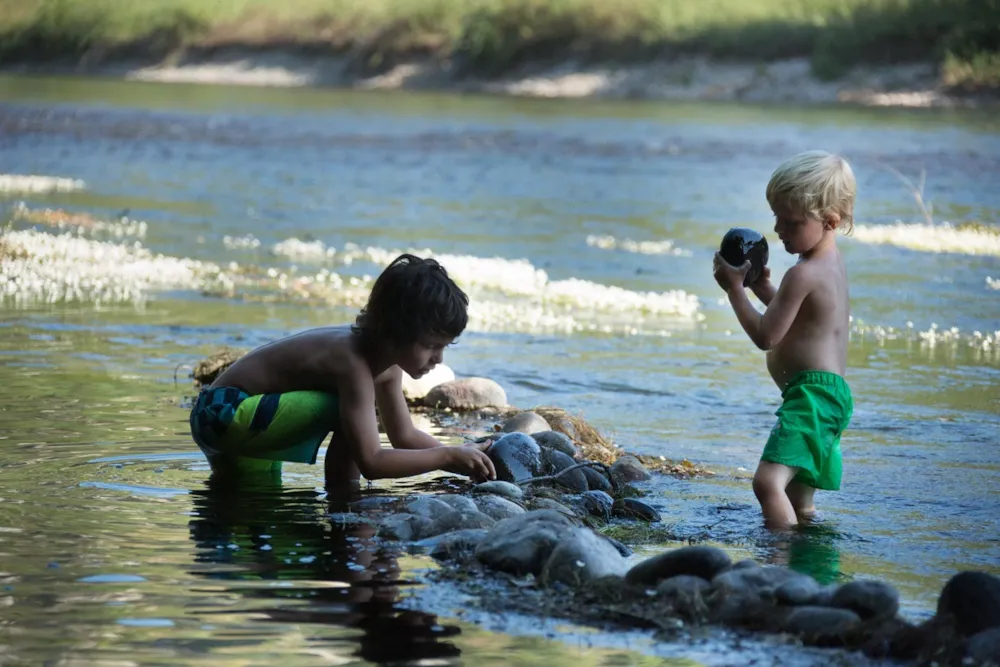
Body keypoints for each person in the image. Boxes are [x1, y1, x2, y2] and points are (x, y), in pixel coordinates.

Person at [189, 253, 496, 488]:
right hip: (221, 412)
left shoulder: (387, 366)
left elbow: (403, 435)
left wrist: (461, 457)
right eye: (431, 345)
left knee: (246, 502)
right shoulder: (353, 363)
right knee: (348, 412)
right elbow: (372, 462)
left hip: (249, 423)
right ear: (393, 332)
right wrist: (446, 456)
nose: (438, 358)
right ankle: (345, 501)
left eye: (445, 347)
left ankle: (343, 500)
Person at [713, 150, 856, 529]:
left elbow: (766, 335)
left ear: (830, 220)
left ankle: (777, 563)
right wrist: (761, 287)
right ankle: (809, 555)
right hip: (830, 396)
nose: (778, 230)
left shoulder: (804, 273)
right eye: (776, 217)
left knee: (767, 483)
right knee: (798, 497)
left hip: (811, 397)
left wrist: (734, 291)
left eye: (791, 222)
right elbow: (799, 318)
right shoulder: (830, 265)